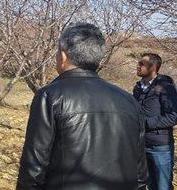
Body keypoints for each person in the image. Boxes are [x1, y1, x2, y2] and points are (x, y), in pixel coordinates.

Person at [17, 22, 147, 190]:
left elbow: (34, 167)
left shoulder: (50, 96)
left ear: (63, 56)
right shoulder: (129, 100)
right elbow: (140, 173)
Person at [134, 53, 177, 190]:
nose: (138, 65)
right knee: (150, 185)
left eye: (142, 63)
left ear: (153, 67)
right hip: (141, 145)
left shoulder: (165, 88)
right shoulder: (138, 88)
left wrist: (146, 123)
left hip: (160, 147)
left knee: (163, 187)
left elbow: (174, 116)